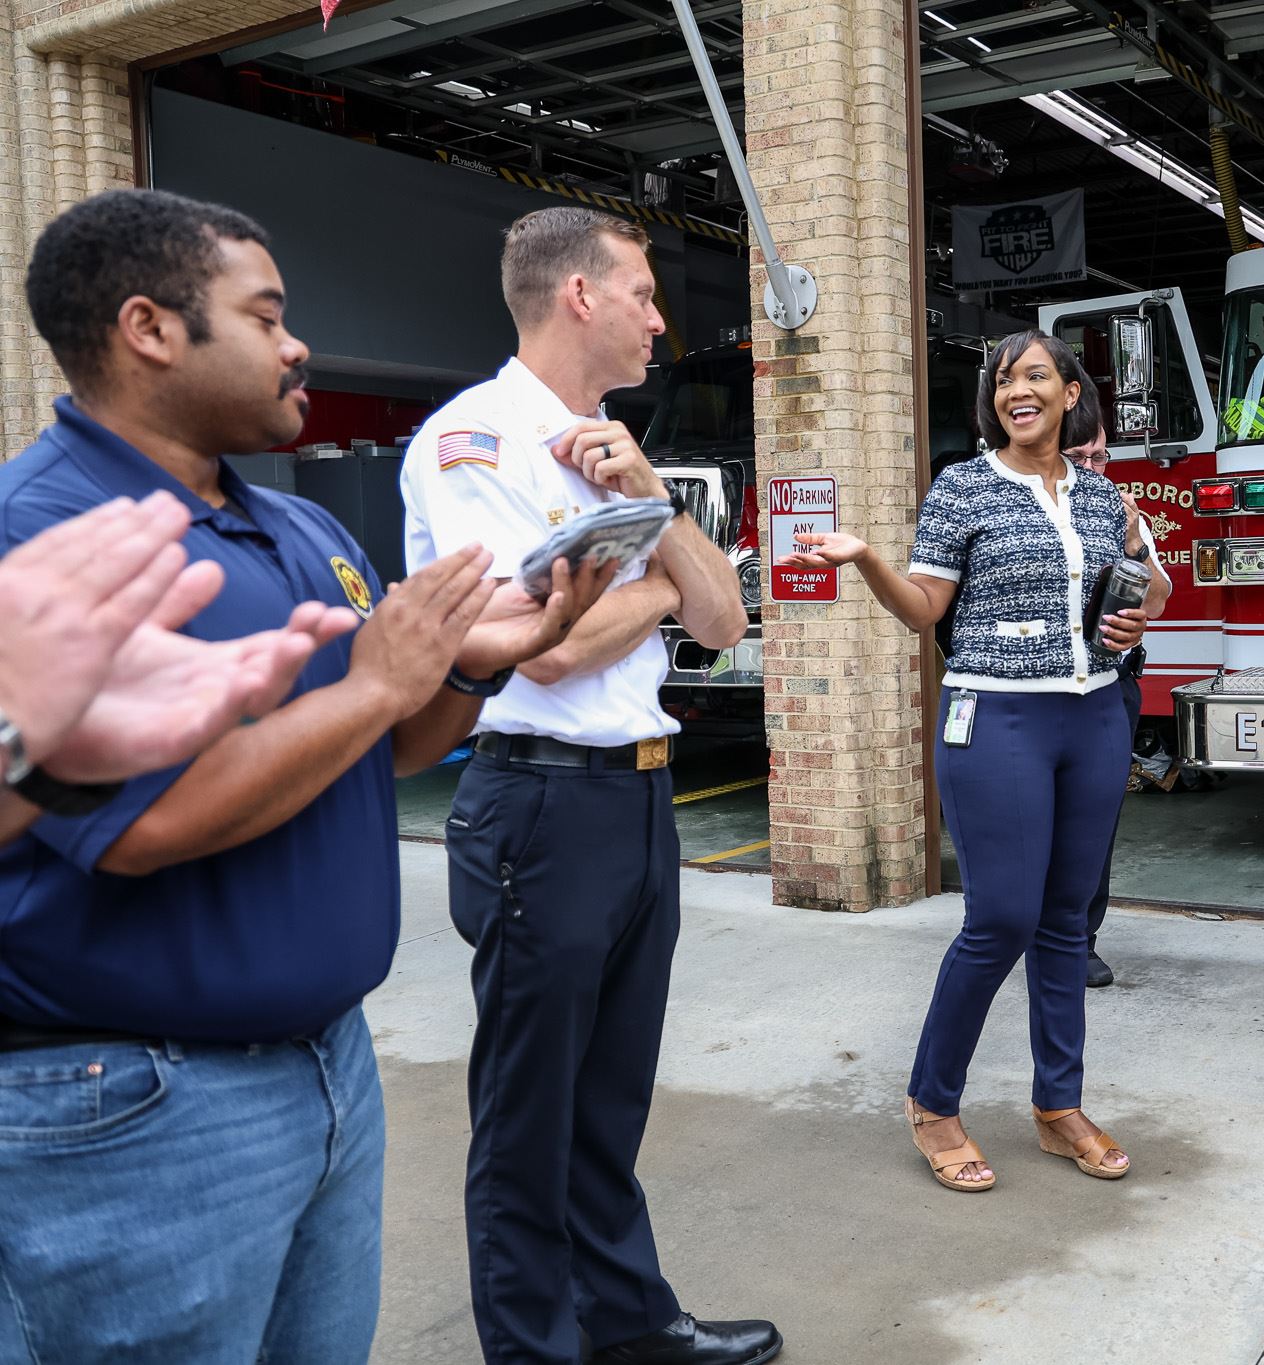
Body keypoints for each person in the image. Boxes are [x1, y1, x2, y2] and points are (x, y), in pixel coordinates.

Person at [0, 188, 608, 1364]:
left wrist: (478, 668)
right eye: (266, 315)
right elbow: (138, 826)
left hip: (328, 1070)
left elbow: (384, 754)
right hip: (138, 1106)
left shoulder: (294, 529)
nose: (297, 346)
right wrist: (374, 684)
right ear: (150, 329)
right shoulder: (48, 535)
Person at [399, 206, 768, 1365]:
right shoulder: (472, 443)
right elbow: (543, 649)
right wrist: (658, 583)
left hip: (637, 799)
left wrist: (652, 510)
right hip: (541, 806)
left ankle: (628, 1324)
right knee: (528, 1114)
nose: (661, 320)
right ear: (578, 297)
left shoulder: (617, 441)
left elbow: (729, 614)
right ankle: (535, 1349)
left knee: (607, 1103)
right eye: (646, 296)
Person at [778, 328, 1148, 1193]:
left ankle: (1059, 1106)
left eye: (1035, 377)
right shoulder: (961, 489)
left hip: (1093, 717)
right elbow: (922, 610)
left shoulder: (1101, 498)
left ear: (1068, 393)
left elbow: (1139, 586)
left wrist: (1135, 615)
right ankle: (933, 1100)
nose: (1018, 390)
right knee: (1003, 919)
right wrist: (868, 557)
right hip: (997, 718)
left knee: (1067, 920)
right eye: (1004, 380)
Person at [0, 492, 334, 842]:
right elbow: (144, 832)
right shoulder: (24, 512)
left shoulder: (309, 518)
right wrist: (372, 688)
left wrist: (42, 767)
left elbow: (396, 754)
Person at [1062, 383, 1171, 989]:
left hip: (1111, 688)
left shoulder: (1120, 512)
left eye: (1101, 457)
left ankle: (1081, 939)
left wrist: (1133, 542)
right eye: (1081, 460)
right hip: (1045, 689)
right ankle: (1031, 932)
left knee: (1095, 819)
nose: (1096, 470)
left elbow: (1159, 598)